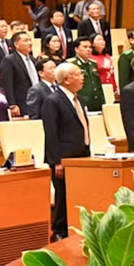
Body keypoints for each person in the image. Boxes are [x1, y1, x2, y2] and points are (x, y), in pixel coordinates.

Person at [38, 63, 93, 240]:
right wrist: (57, 161)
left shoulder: (80, 99)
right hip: (63, 157)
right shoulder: (53, 101)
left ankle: (75, 227)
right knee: (62, 196)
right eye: (77, 74)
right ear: (67, 79)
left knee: (78, 194)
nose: (82, 77)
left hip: (81, 153)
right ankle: (59, 232)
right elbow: (51, 134)